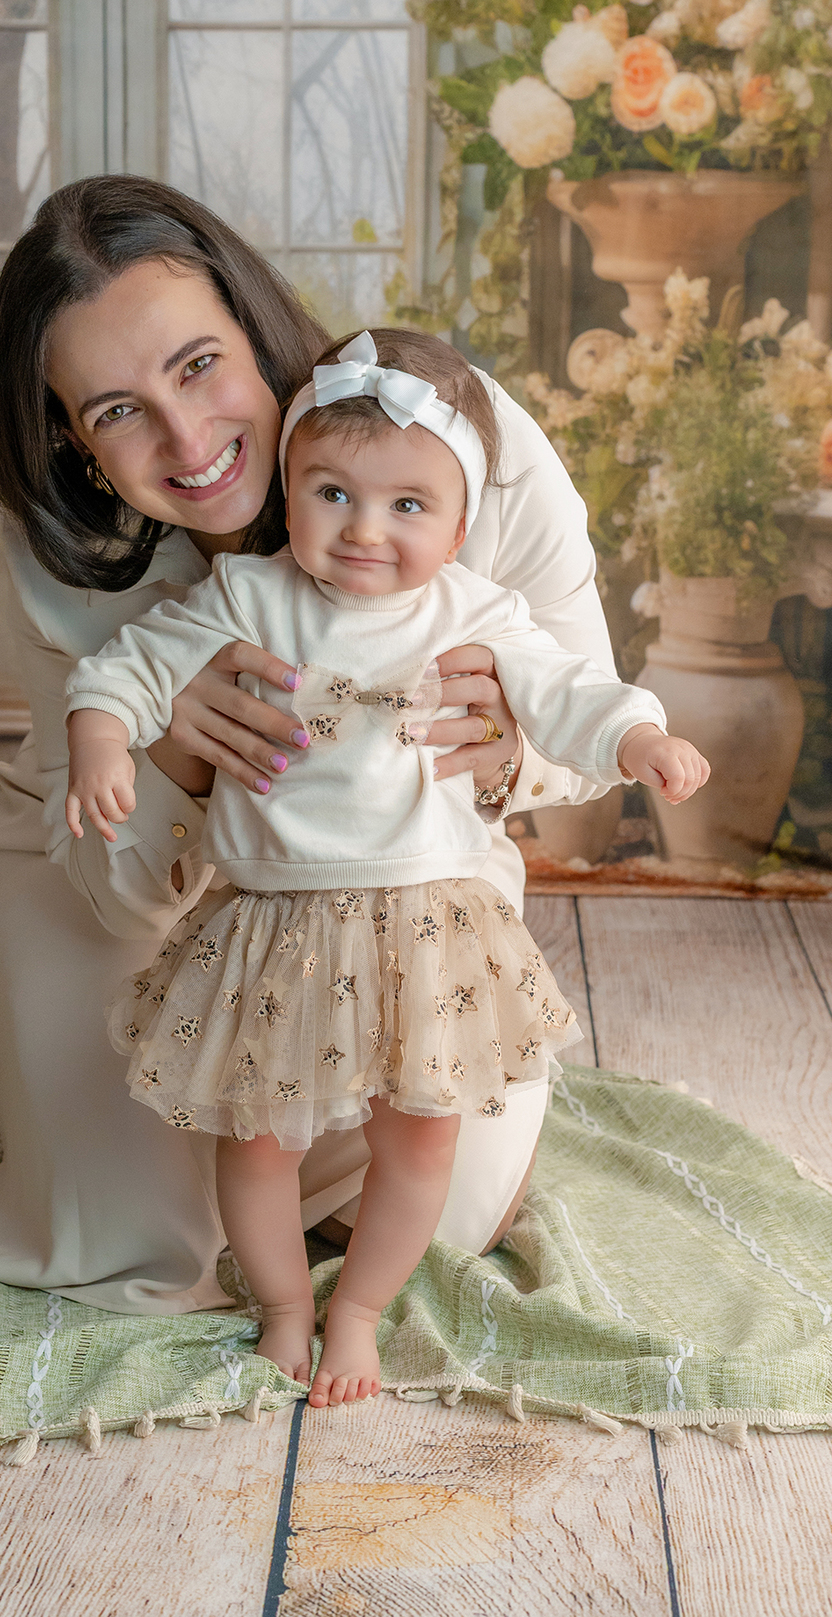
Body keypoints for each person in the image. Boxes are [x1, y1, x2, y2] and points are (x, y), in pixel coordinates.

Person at [0, 177, 630, 1315]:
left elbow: (594, 720)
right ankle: (181, 1155)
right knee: (136, 1221)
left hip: (398, 874)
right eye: (115, 411)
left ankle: (364, 1178)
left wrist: (510, 742)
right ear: (73, 440)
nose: (187, 439)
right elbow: (118, 890)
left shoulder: (457, 442)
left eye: (199, 365)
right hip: (111, 873)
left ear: (257, 330)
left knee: (442, 1212)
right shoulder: (58, 544)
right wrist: (174, 756)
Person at [62, 328, 708, 1402]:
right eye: (330, 493)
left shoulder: (475, 612)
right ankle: (281, 1305)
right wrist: (98, 738)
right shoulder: (250, 598)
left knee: (419, 1137)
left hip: (426, 926)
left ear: (459, 523)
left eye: (408, 506)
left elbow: (567, 693)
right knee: (258, 1136)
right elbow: (126, 668)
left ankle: (356, 1310)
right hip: (273, 923)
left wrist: (638, 738)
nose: (364, 530)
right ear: (289, 485)